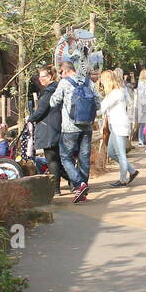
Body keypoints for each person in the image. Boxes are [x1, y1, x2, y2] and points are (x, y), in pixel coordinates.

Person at [50, 61, 95, 203]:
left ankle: (79, 184)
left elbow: (53, 102)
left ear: (64, 71)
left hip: (70, 127)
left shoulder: (64, 83)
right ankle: (82, 192)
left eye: (60, 73)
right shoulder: (89, 82)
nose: (60, 75)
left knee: (65, 157)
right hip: (87, 126)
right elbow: (98, 103)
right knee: (84, 158)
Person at [28, 64, 65, 196]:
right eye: (39, 76)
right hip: (56, 126)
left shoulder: (50, 91)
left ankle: (56, 188)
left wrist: (30, 118)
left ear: (50, 76)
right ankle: (75, 182)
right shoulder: (57, 88)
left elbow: (42, 110)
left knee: (52, 159)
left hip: (50, 127)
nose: (40, 79)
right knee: (58, 158)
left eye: (42, 76)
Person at [100, 70, 139, 187]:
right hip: (115, 126)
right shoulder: (115, 92)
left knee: (121, 154)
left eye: (102, 80)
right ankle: (132, 171)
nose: (101, 83)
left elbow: (102, 108)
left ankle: (123, 179)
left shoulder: (115, 93)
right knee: (112, 152)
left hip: (119, 125)